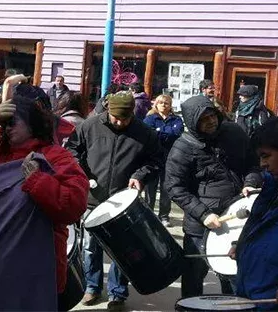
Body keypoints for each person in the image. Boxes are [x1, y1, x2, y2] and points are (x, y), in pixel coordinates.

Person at [0, 95, 89, 298]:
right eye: (3, 124)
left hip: (36, 268)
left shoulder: (56, 156)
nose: (6, 128)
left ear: (32, 124)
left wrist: (37, 180)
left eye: (12, 122)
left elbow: (74, 204)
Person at [66, 91, 163, 309]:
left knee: (122, 249)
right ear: (108, 110)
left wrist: (140, 176)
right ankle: (91, 287)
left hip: (123, 201)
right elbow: (71, 151)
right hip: (93, 198)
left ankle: (117, 293)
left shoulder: (145, 133)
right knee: (90, 247)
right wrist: (82, 173)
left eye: (125, 118)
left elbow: (156, 160)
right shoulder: (88, 126)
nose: (119, 122)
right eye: (115, 118)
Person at [165, 95, 262, 298]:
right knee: (193, 277)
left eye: (212, 115)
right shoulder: (182, 147)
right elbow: (174, 187)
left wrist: (250, 182)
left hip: (237, 217)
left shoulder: (234, 131)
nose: (211, 121)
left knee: (232, 276)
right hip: (201, 225)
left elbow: (253, 163)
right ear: (192, 122)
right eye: (203, 119)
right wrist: (203, 214)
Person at [234, 118, 278, 309]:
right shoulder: (271, 183)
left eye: (266, 156)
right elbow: (257, 223)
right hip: (254, 290)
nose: (262, 164)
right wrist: (242, 244)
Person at [143, 95, 184, 227]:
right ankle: (148, 214)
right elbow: (148, 134)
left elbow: (177, 134)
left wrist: (159, 131)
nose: (163, 105)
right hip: (153, 158)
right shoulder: (149, 118)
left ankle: (164, 216)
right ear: (156, 104)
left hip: (170, 158)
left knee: (167, 189)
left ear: (171, 105)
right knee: (150, 189)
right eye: (160, 103)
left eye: (166, 103)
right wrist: (166, 132)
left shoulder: (176, 119)